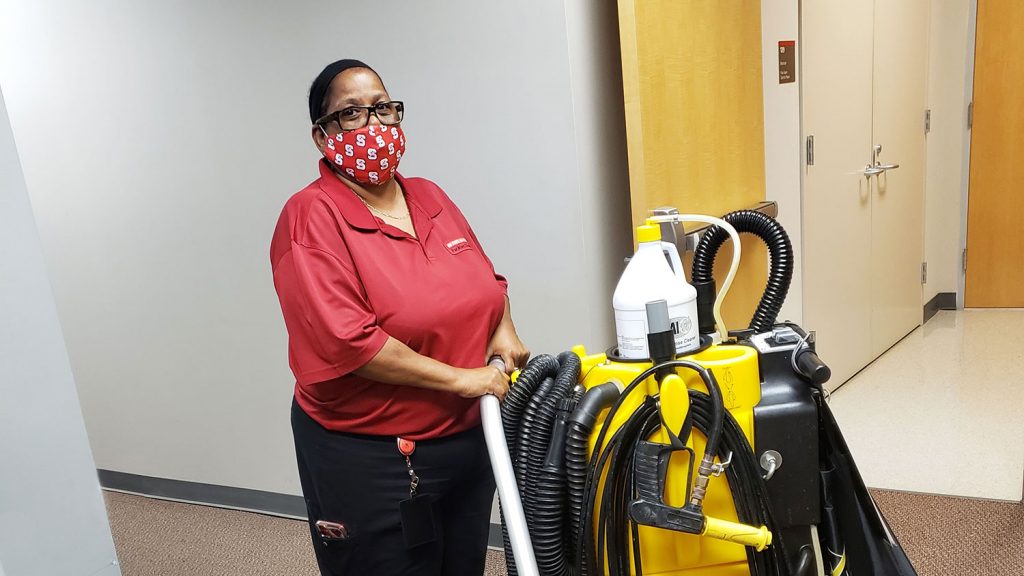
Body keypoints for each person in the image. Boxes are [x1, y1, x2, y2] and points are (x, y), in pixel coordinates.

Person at [269, 59, 530, 576]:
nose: (374, 124)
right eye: (351, 113)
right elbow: (352, 342)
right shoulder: (310, 217)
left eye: (383, 107)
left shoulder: (429, 196)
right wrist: (463, 378)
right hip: (372, 455)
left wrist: (505, 329)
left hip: (466, 439)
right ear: (322, 136)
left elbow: (486, 284)